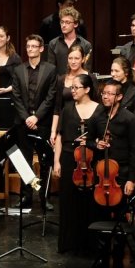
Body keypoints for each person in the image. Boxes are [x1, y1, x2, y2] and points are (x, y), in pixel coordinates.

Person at [51, 74, 107, 254]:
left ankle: (89, 244)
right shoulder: (67, 109)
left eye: (76, 88)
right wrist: (56, 161)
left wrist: (95, 143)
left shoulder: (99, 110)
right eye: (72, 87)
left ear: (87, 89)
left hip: (91, 161)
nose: (72, 91)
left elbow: (102, 138)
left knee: (89, 203)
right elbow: (60, 136)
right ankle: (69, 243)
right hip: (69, 159)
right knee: (68, 201)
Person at [93, 80, 135, 268]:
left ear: (119, 97)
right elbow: (88, 139)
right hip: (102, 175)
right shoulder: (99, 117)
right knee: (102, 215)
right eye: (104, 93)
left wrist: (130, 179)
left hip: (120, 174)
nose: (106, 97)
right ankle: (103, 255)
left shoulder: (129, 119)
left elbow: (133, 151)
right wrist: (96, 143)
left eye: (110, 94)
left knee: (120, 214)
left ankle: (119, 254)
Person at [9, 34, 57, 210]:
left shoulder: (50, 69)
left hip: (42, 122)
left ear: (41, 48)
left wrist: (36, 117)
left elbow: (51, 97)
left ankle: (44, 196)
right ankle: (26, 195)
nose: (30, 49)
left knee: (45, 161)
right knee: (24, 161)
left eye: (34, 46)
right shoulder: (19, 70)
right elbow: (16, 96)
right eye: (28, 46)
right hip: (23, 123)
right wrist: (27, 117)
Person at [46, 7, 93, 75]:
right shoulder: (53, 43)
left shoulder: (86, 45)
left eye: (67, 22)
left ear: (75, 24)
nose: (63, 25)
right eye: (62, 22)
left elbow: (86, 70)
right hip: (59, 84)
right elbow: (51, 70)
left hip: (79, 84)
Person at [110, 55, 135, 121]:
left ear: (126, 73)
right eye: (112, 71)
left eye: (116, 71)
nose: (113, 74)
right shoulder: (109, 88)